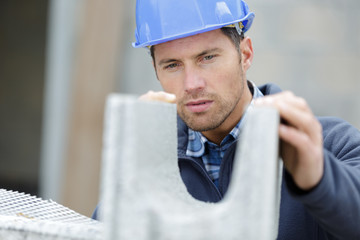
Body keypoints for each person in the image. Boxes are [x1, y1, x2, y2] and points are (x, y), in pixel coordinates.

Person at [93, 0, 360, 239]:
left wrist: (318, 177)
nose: (191, 84)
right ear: (156, 70)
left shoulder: (331, 145)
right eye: (172, 65)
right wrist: (134, 175)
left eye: (207, 58)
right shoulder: (152, 159)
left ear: (245, 55)